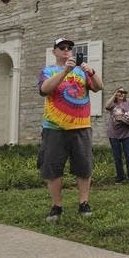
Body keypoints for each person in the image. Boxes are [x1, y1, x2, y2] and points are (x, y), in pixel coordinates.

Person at [38, 37, 103, 222]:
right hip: (54, 128)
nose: (67, 50)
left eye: (69, 48)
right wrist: (66, 70)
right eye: (62, 47)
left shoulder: (82, 72)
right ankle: (56, 206)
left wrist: (92, 72)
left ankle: (84, 202)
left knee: (84, 167)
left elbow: (99, 87)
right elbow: (45, 89)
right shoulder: (48, 71)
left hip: (81, 126)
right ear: (54, 51)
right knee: (52, 168)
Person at [105, 86, 129, 185]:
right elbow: (106, 106)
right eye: (119, 92)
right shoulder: (113, 104)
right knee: (117, 157)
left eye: (123, 92)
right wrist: (115, 94)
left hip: (126, 133)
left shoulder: (128, 104)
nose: (121, 94)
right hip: (114, 133)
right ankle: (120, 177)